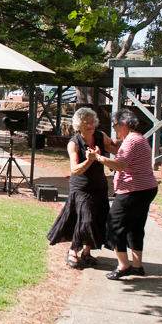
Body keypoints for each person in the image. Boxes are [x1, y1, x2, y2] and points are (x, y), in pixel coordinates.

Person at [47, 108, 120, 269]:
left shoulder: (100, 136)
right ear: (79, 124)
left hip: (99, 185)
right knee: (85, 219)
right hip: (81, 187)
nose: (91, 125)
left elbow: (114, 146)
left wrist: (132, 140)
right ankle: (73, 250)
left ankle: (86, 252)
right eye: (87, 123)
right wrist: (90, 160)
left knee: (97, 218)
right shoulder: (74, 143)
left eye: (93, 122)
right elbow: (75, 169)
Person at [95, 109, 158, 280]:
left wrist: (99, 158)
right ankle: (137, 266)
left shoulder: (131, 141)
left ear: (123, 125)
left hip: (133, 190)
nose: (114, 129)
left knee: (114, 224)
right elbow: (125, 157)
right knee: (135, 227)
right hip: (146, 188)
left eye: (115, 126)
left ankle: (123, 266)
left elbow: (121, 164)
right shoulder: (139, 138)